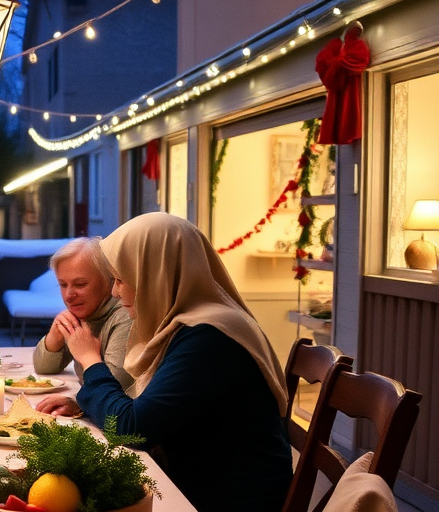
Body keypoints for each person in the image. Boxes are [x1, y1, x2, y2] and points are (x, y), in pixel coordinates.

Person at [39, 213, 292, 512]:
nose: (117, 292)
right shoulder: (189, 324)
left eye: (121, 279)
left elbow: (132, 428)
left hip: (221, 500)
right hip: (193, 481)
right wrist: (86, 402)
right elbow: (152, 407)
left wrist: (91, 362)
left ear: (156, 276)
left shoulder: (209, 337)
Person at [31, 237, 133, 391]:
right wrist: (54, 338)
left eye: (80, 284)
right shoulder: (85, 311)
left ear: (108, 282)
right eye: (63, 285)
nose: (69, 295)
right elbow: (43, 368)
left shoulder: (125, 315)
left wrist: (87, 355)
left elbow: (113, 388)